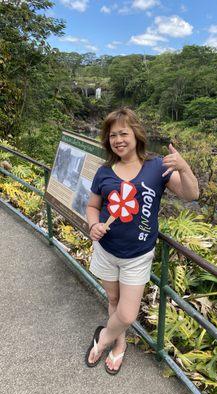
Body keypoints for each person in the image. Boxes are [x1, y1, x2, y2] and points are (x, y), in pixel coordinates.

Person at [85, 107, 199, 374]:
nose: (118, 140)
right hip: (106, 250)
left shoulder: (156, 167)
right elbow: (92, 206)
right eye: (112, 135)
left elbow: (191, 194)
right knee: (113, 300)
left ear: (136, 134)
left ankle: (102, 338)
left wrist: (184, 167)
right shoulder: (104, 171)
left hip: (137, 255)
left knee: (127, 314)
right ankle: (119, 344)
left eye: (123, 133)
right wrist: (93, 225)